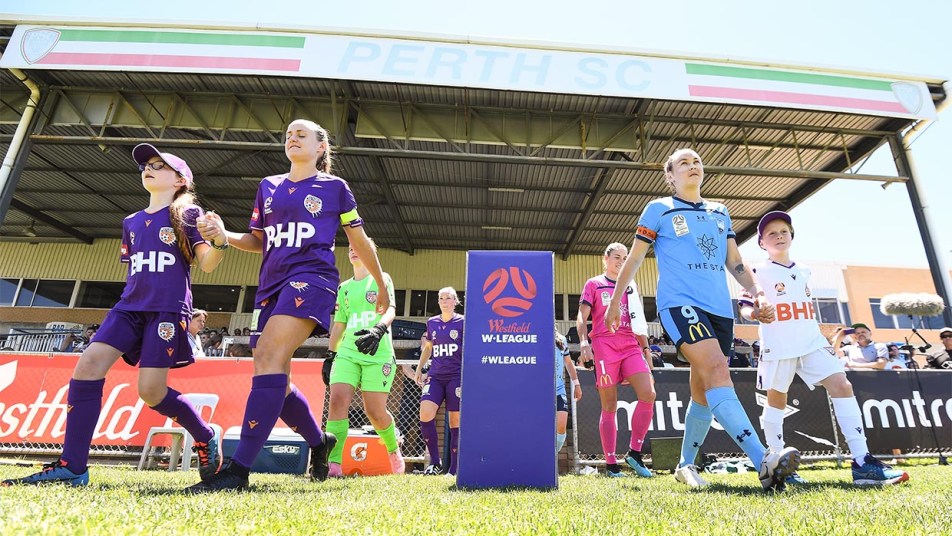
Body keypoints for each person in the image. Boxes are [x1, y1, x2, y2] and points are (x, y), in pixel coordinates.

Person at [2, 144, 226, 487]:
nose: (148, 169)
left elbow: (208, 264)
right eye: (145, 165)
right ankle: (73, 466)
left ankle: (204, 434)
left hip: (165, 310)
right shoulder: (131, 222)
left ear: (180, 180)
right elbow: (135, 270)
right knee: (87, 365)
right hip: (128, 307)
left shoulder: (189, 215)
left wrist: (221, 240)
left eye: (158, 165)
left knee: (151, 392)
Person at [190, 119, 390, 492]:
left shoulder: (335, 188)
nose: (292, 138)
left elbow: (359, 240)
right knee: (275, 379)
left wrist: (382, 286)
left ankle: (237, 471)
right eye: (288, 135)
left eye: (302, 134)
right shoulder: (268, 186)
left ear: (320, 147)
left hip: (312, 280)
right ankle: (319, 442)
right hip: (270, 287)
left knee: (267, 354)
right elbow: (256, 241)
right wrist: (224, 235)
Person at [605, 148, 800, 491]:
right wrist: (615, 301)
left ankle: (684, 464)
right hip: (680, 304)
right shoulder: (658, 209)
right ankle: (763, 461)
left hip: (719, 311)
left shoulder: (720, 211)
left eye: (696, 162)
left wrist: (758, 293)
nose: (692, 166)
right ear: (670, 175)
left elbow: (735, 263)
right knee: (717, 370)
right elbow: (635, 259)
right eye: (683, 163)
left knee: (702, 390)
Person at [741, 211, 908, 487]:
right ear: (761, 242)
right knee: (776, 399)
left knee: (842, 385)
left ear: (791, 236)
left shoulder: (805, 270)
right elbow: (745, 307)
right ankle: (777, 464)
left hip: (812, 341)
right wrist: (755, 315)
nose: (779, 236)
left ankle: (862, 462)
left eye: (784, 231)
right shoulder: (757, 271)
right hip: (779, 345)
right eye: (771, 233)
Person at [322, 241, 403, 477]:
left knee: (375, 412)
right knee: (337, 401)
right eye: (350, 247)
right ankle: (334, 464)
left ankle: (393, 448)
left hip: (377, 352)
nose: (353, 249)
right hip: (348, 352)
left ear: (372, 253)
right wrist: (331, 354)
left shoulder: (381, 278)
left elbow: (390, 310)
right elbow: (339, 324)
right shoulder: (344, 288)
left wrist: (378, 330)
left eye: (359, 246)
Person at [577, 242, 656, 478]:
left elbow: (638, 319)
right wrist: (583, 343)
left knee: (648, 393)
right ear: (606, 258)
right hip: (604, 344)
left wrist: (646, 348)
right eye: (617, 257)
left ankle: (634, 452)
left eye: (625, 258)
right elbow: (581, 317)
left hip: (630, 344)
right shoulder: (594, 284)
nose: (621, 262)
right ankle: (611, 465)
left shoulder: (631, 286)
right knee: (609, 405)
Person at [415, 287, 464, 475]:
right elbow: (428, 347)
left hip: (456, 376)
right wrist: (420, 368)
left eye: (448, 298)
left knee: (454, 421)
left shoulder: (462, 322)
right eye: (441, 298)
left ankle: (454, 468)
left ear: (455, 301)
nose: (444, 301)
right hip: (435, 376)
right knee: (425, 413)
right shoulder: (432, 322)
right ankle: (435, 463)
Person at [555, 330, 582, 456]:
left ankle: (553, 455)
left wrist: (576, 384)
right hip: (541, 391)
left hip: (559, 390)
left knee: (561, 426)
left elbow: (569, 363)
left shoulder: (561, 339)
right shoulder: (536, 337)